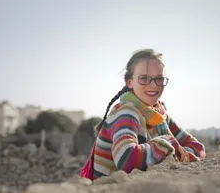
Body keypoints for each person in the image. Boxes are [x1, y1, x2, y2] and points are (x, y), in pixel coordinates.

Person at [84, 49, 206, 180]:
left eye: (159, 78)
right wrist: (167, 143)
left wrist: (179, 154)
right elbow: (127, 159)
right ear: (129, 82)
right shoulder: (126, 112)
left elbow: (198, 148)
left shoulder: (159, 115)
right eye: (144, 78)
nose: (153, 85)